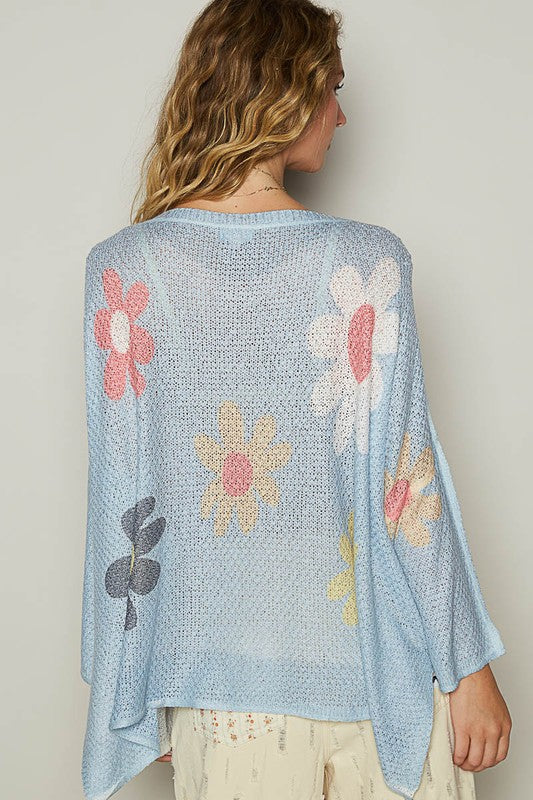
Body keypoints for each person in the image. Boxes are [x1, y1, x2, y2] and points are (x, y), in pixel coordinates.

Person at [80, 1, 511, 799]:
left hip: (223, 692)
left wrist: (142, 680)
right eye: (332, 89)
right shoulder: (365, 261)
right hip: (389, 680)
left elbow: (124, 502)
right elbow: (406, 491)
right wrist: (468, 666)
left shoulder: (125, 271)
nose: (342, 116)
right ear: (283, 90)